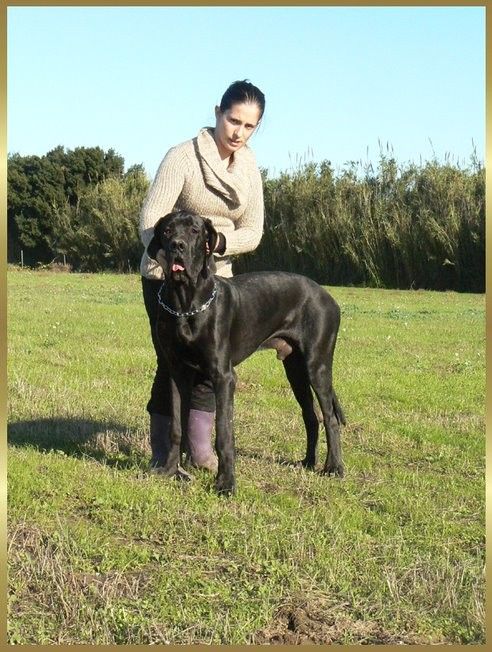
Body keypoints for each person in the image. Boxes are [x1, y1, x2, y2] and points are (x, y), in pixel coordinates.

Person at [139, 79, 266, 475]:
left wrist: (219, 244)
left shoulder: (249, 168)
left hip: (214, 279)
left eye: (249, 126)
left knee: (212, 370)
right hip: (165, 275)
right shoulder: (182, 157)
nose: (238, 132)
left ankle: (200, 450)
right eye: (233, 120)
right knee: (171, 362)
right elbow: (150, 219)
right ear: (217, 113)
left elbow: (254, 231)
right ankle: (164, 454)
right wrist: (167, 259)